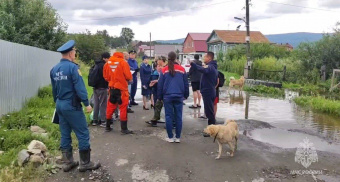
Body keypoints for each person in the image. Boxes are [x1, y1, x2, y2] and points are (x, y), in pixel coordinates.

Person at [50, 40, 101, 172]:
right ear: (71, 53)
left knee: (65, 133)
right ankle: (85, 163)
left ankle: (68, 162)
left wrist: (58, 102)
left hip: (60, 104)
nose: (75, 54)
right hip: (72, 105)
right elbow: (80, 87)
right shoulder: (73, 68)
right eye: (74, 52)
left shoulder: (54, 69)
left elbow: (54, 90)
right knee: (83, 132)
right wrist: (86, 103)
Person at [158, 52, 189, 143]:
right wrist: (186, 95)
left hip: (167, 96)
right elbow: (186, 84)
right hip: (179, 96)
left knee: (168, 116)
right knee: (178, 116)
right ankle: (178, 137)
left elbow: (160, 85)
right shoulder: (182, 69)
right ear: (176, 58)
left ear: (168, 58)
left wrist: (159, 97)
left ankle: (170, 137)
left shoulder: (164, 70)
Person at [103, 52, 133, 134]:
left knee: (110, 107)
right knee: (123, 108)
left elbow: (106, 77)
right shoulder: (123, 63)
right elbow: (128, 76)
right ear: (121, 56)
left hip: (112, 88)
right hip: (122, 89)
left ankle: (107, 126)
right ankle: (124, 129)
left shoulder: (107, 64)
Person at [190, 51, 218, 137]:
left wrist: (193, 64)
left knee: (209, 112)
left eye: (205, 57)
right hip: (209, 91)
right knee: (209, 111)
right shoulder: (212, 66)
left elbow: (203, 69)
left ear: (209, 58)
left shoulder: (210, 67)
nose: (203, 58)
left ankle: (211, 131)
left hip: (208, 92)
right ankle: (212, 129)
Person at [91, 52, 110, 126]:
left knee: (96, 104)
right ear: (104, 58)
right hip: (102, 87)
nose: (108, 60)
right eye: (108, 58)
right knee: (103, 104)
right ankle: (103, 121)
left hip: (95, 87)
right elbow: (106, 77)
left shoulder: (95, 65)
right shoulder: (104, 66)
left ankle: (94, 120)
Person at [148, 56, 167, 127]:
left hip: (165, 91)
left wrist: (157, 81)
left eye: (160, 65)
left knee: (165, 106)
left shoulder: (166, 70)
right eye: (158, 65)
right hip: (158, 91)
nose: (159, 67)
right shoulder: (155, 73)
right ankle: (155, 120)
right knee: (157, 105)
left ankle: (167, 121)